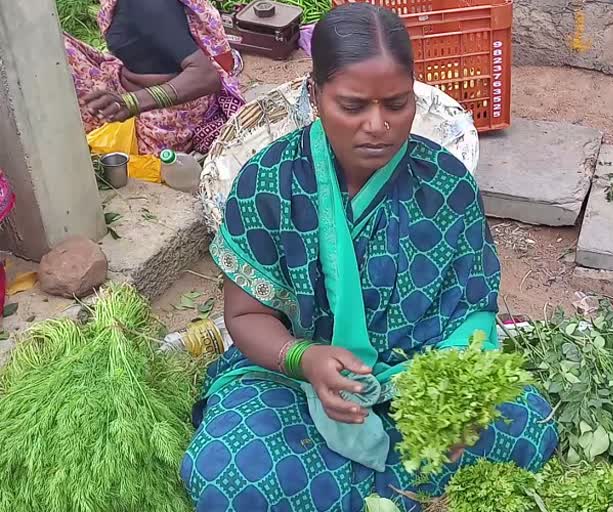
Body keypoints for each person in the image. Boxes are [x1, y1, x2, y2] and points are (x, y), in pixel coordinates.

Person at [181, 4, 558, 510]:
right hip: (295, 381)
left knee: (527, 424)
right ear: (315, 97)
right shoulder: (269, 181)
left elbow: (472, 311)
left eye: (396, 104)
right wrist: (306, 359)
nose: (377, 125)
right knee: (230, 473)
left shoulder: (445, 184)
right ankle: (401, 492)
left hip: (415, 379)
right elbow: (247, 315)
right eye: (353, 105)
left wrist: (451, 390)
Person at [63, 0, 244, 155]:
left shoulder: (145, 4)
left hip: (163, 120)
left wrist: (132, 102)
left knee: (54, 61)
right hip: (131, 85)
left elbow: (206, 76)